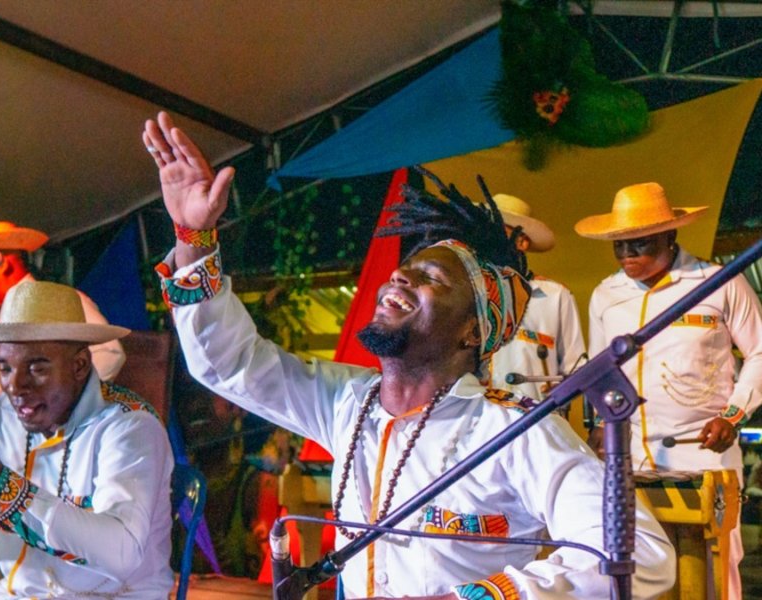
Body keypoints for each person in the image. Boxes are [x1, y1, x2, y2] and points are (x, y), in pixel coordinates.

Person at [143, 111, 674, 599]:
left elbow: (642, 555)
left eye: (431, 278)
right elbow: (229, 364)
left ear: (471, 331)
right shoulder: (346, 403)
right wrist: (194, 238)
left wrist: (476, 596)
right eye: (407, 267)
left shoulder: (514, 432)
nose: (400, 276)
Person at [0, 280, 174, 598]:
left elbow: (121, 552)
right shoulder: (3, 415)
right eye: (5, 368)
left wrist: (4, 487)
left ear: (79, 365)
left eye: (36, 368)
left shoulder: (129, 427)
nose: (15, 386)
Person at [577, 181, 762, 599]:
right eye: (619, 245)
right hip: (629, 461)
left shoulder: (717, 281)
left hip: (704, 455)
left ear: (670, 235)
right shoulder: (606, 294)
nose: (627, 255)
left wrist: (734, 415)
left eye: (640, 243)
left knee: (715, 576)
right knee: (641, 578)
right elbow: (600, 370)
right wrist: (599, 425)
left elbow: (760, 352)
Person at [0, 221, 127, 397]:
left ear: (2, 264)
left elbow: (110, 354)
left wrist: (56, 402)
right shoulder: (0, 325)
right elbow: (1, 395)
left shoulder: (59, 299)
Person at [484, 194, 586, 403]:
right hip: (478, 419)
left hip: (535, 418)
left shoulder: (555, 296)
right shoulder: (468, 293)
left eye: (498, 231)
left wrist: (562, 389)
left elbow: (576, 369)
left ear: (521, 242)